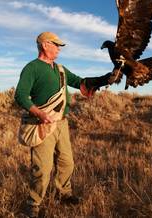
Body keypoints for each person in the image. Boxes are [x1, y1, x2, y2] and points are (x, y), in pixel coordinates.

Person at [14, 32, 110, 217]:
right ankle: (33, 205)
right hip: (42, 124)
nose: (59, 48)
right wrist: (40, 113)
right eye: (56, 45)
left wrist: (105, 79)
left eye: (59, 46)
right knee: (43, 168)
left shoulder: (60, 69)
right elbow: (20, 95)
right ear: (45, 45)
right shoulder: (31, 68)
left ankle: (63, 195)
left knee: (67, 163)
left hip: (62, 124)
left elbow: (81, 83)